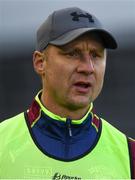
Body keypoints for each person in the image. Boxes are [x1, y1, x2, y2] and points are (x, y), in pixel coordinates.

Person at [0, 7, 134, 179]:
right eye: (72, 53)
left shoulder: (130, 155)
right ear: (40, 62)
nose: (88, 68)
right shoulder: (3, 143)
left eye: (96, 55)